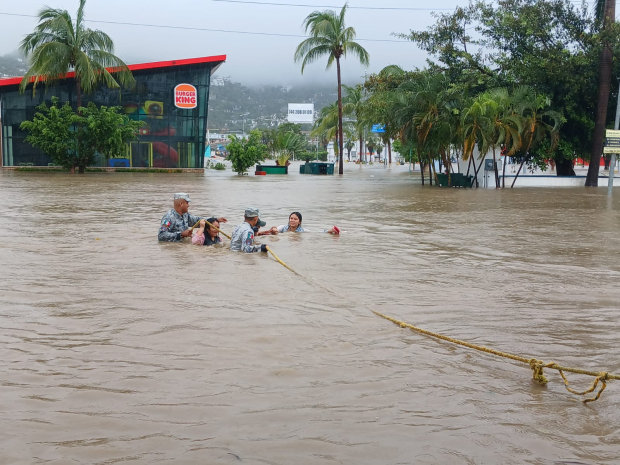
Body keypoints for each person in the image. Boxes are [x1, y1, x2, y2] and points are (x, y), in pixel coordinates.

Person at [158, 193, 227, 242]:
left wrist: (215, 220)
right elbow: (161, 236)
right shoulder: (168, 218)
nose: (188, 206)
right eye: (187, 203)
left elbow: (197, 220)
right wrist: (181, 234)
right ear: (181, 203)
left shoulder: (185, 215)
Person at [275, 212, 340, 235]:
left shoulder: (302, 231)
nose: (292, 220)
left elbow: (316, 232)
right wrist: (274, 230)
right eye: (291, 218)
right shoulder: (283, 227)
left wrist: (329, 231)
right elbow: (276, 230)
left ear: (299, 222)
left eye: (295, 219)